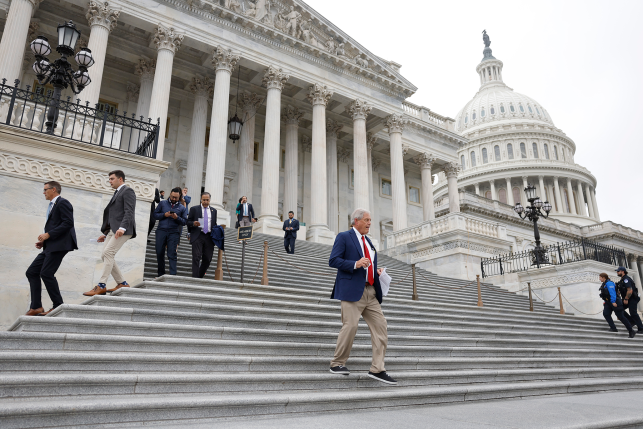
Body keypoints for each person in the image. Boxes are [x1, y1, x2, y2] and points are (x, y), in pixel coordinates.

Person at [328, 208, 396, 385]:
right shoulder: (344, 237)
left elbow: (369, 264)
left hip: (371, 292)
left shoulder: (369, 242)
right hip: (352, 291)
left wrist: (376, 270)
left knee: (381, 326)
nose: (369, 223)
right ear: (356, 221)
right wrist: (355, 264)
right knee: (350, 326)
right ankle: (337, 363)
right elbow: (333, 260)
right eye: (366, 220)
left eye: (370, 220)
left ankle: (377, 369)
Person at [25, 181, 78, 316]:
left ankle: (58, 305)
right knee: (32, 272)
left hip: (60, 246)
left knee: (46, 273)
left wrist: (48, 234)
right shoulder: (53, 205)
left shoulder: (63, 203)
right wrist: (45, 241)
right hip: (51, 245)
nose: (43, 192)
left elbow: (68, 223)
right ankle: (36, 306)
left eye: (45, 190)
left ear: (53, 189)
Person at [83, 170, 136, 296]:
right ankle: (122, 283)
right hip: (113, 230)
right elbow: (114, 216)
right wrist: (107, 233)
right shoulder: (117, 193)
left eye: (112, 179)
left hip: (123, 230)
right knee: (105, 255)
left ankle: (101, 285)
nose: (110, 181)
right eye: (109, 179)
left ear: (120, 179)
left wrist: (122, 228)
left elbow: (129, 211)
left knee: (108, 253)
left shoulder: (127, 191)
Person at [153, 187, 187, 277]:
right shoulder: (162, 203)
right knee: (159, 252)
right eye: (172, 197)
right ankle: (161, 274)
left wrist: (177, 218)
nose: (173, 199)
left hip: (174, 232)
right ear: (170, 194)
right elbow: (155, 214)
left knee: (172, 253)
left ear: (179, 197)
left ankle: (173, 275)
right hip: (161, 230)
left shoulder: (182, 208)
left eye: (176, 197)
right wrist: (164, 215)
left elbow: (184, 222)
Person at [187, 192, 217, 278]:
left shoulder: (214, 211)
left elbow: (214, 223)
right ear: (201, 199)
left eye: (207, 200)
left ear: (209, 200)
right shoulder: (194, 209)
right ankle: (195, 278)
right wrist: (193, 223)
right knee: (196, 256)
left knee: (207, 259)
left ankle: (200, 275)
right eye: (204, 200)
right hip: (198, 235)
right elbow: (187, 222)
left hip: (209, 237)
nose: (205, 202)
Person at [599, 272, 636, 338]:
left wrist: (613, 301)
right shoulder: (604, 284)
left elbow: (612, 293)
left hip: (615, 301)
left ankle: (631, 330)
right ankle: (613, 328)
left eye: (600, 277)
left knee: (621, 317)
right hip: (608, 302)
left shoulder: (609, 283)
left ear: (603, 277)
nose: (599, 279)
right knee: (606, 314)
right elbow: (605, 294)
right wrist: (605, 301)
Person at [615, 266, 643, 332]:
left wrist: (626, 299)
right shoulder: (622, 280)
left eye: (618, 271)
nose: (617, 272)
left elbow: (630, 290)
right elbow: (621, 290)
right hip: (627, 298)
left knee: (633, 313)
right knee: (619, 309)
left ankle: (641, 328)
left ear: (623, 271)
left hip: (632, 298)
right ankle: (631, 321)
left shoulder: (626, 279)